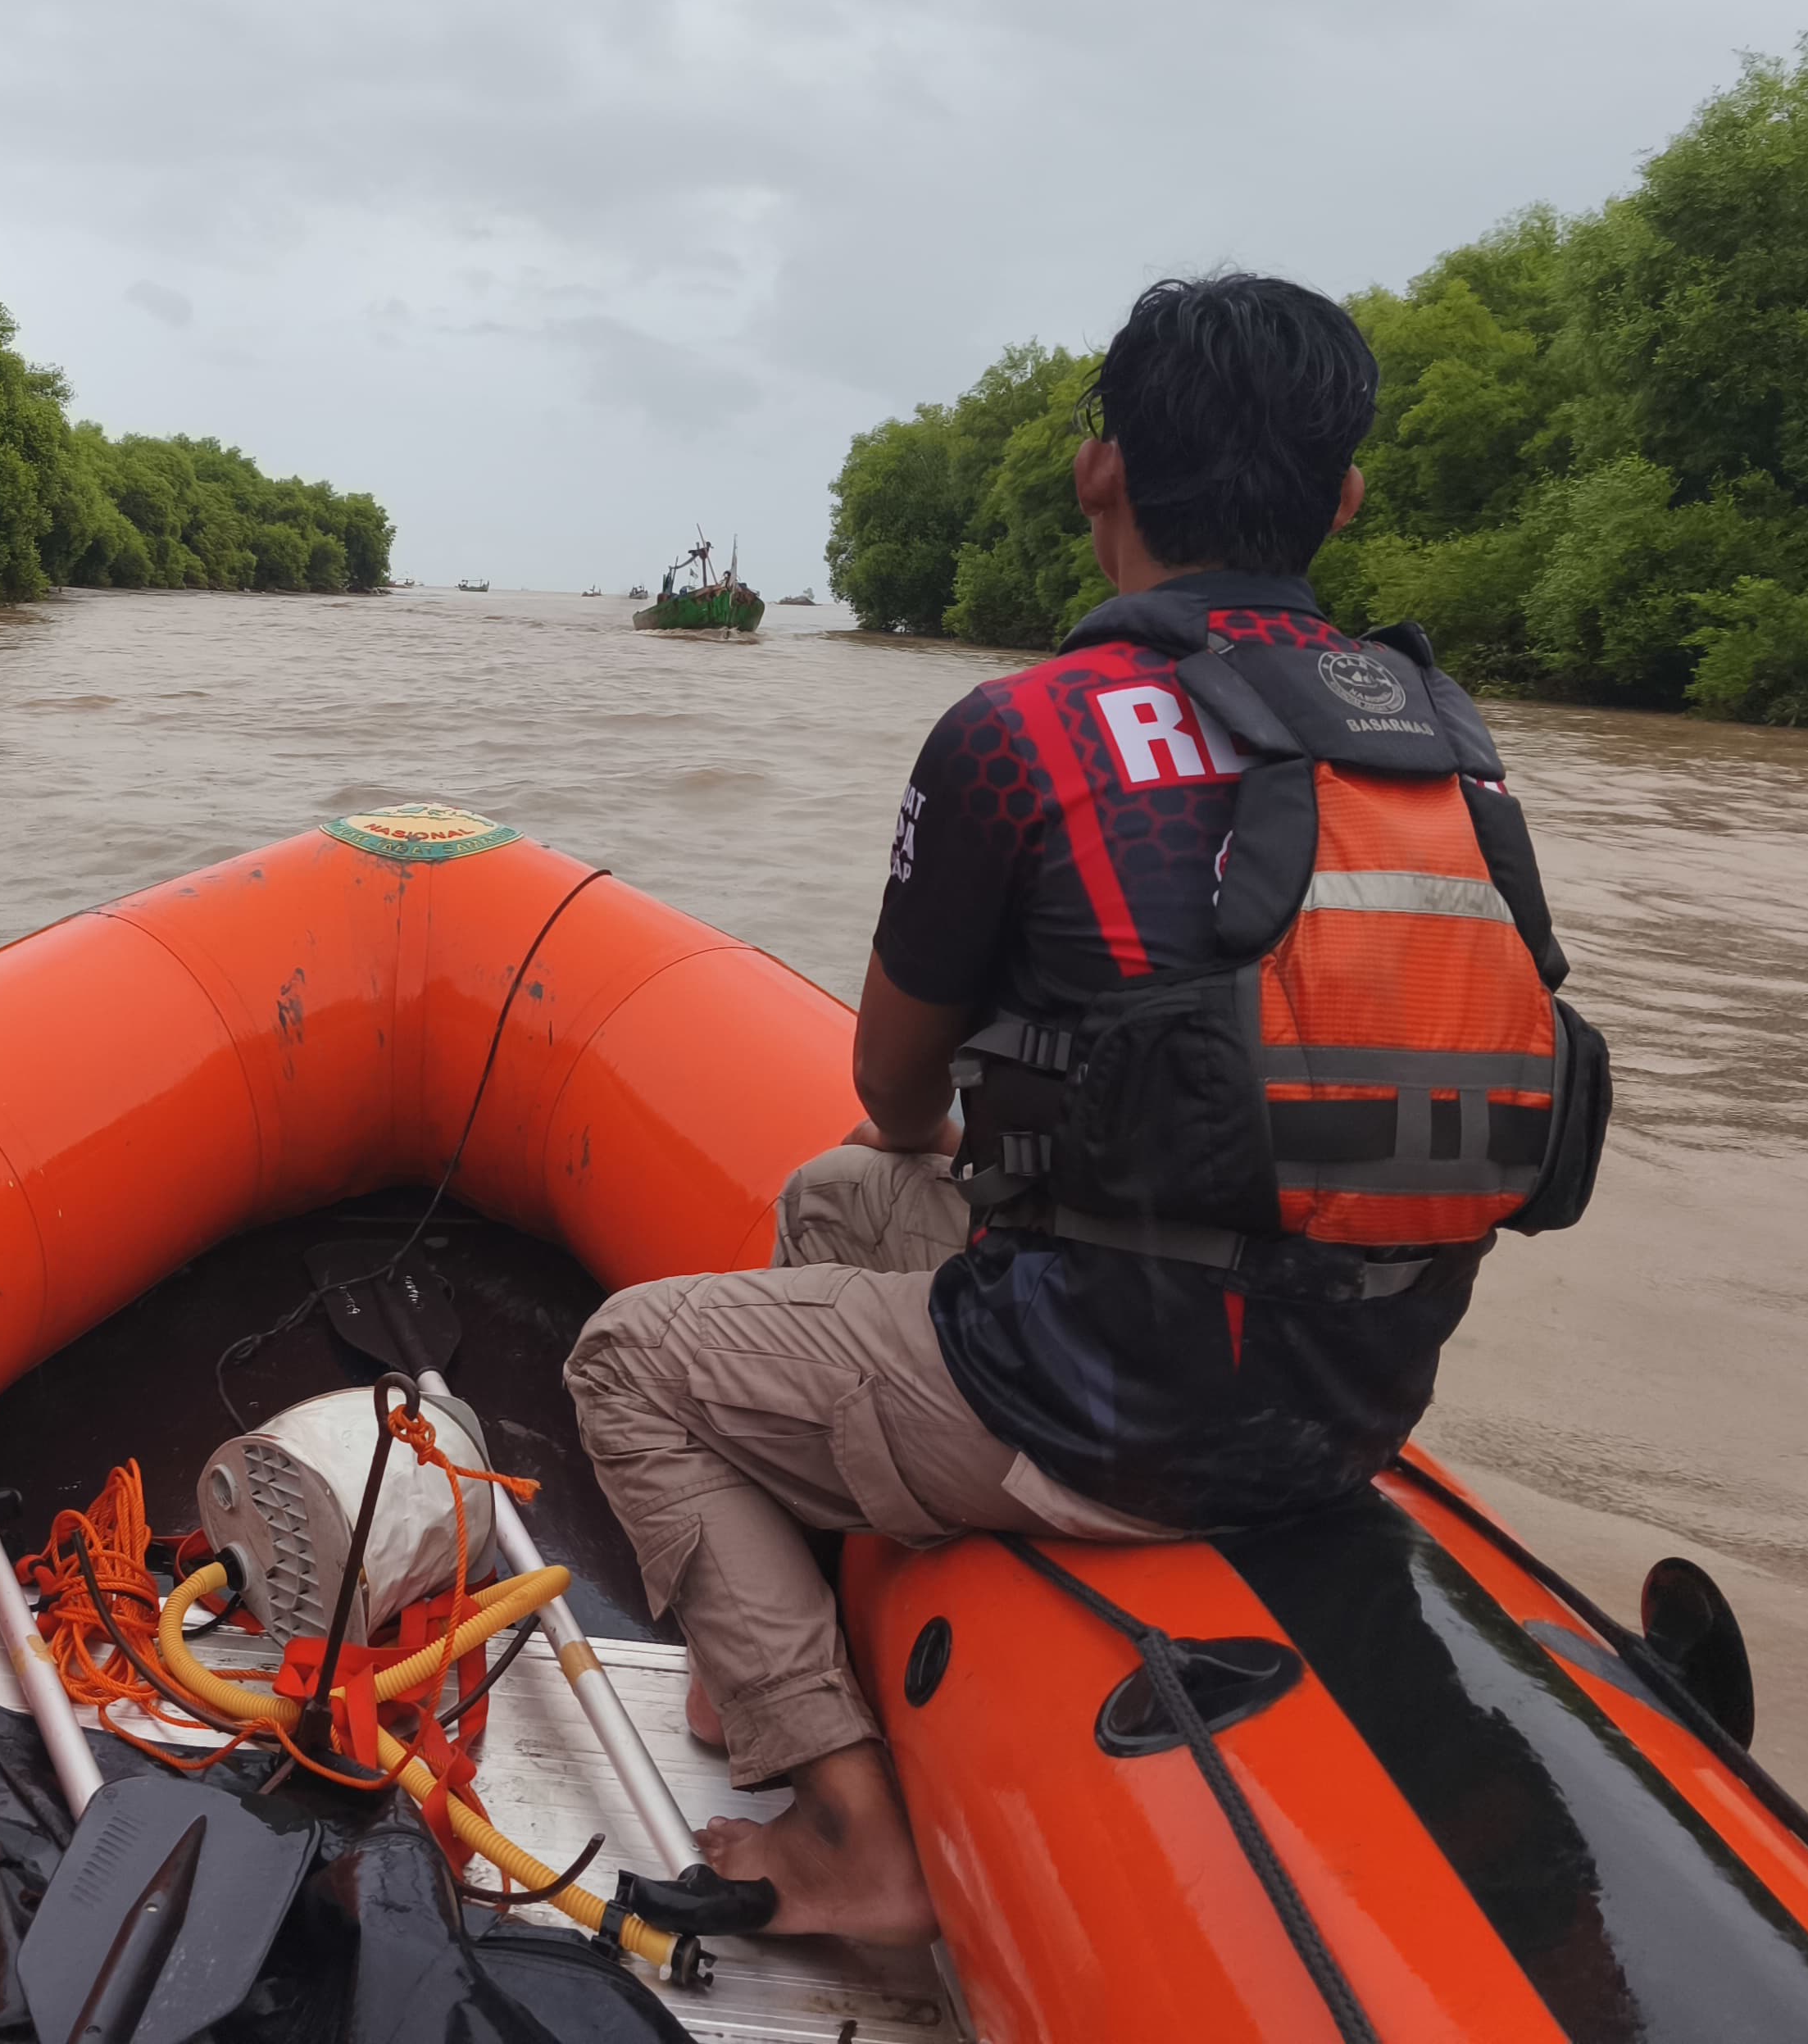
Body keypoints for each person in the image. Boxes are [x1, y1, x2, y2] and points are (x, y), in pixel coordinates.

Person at [566, 273, 1606, 1942]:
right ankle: (791, 1656)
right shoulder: (1449, 756)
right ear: (1340, 499)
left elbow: (891, 1091)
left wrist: (1010, 1141)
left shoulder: (1019, 737)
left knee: (634, 1357)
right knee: (836, 1214)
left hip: (1095, 1413)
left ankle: (848, 1828)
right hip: (1351, 1410)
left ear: (1094, 470)